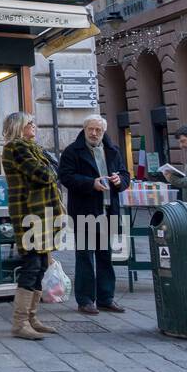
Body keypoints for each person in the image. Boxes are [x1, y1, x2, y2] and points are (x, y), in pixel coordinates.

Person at [57, 114, 129, 315]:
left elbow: (125, 174)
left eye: (98, 130)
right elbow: (66, 177)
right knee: (85, 257)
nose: (94, 133)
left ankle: (106, 298)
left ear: (104, 131)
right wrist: (91, 183)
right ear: (85, 129)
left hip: (108, 210)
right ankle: (85, 300)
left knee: (106, 256)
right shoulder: (73, 151)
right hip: (84, 211)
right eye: (91, 129)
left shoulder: (113, 151)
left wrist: (119, 180)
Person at [0, 112, 63, 341]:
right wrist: (53, 171)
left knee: (41, 265)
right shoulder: (16, 147)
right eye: (29, 123)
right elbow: (44, 174)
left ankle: (31, 318)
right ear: (18, 127)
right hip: (29, 214)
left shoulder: (32, 148)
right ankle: (20, 322)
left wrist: (54, 171)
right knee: (32, 265)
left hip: (43, 215)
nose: (34, 126)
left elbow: (54, 173)